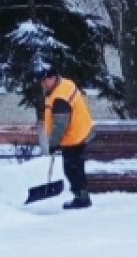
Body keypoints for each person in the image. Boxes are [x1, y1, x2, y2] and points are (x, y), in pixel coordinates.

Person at [39, 64, 96, 209]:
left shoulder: (59, 97)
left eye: (45, 80)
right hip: (80, 130)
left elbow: (60, 124)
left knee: (72, 168)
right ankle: (82, 196)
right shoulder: (65, 83)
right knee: (75, 166)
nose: (43, 84)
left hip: (74, 136)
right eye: (41, 81)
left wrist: (54, 143)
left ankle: (82, 199)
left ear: (52, 78)